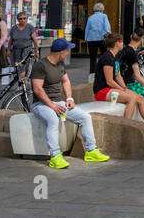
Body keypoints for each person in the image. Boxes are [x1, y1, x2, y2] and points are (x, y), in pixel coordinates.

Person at [29, 39, 109, 168]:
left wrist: (69, 99)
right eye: (67, 51)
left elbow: (65, 81)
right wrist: (52, 106)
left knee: (85, 117)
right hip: (40, 105)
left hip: (57, 102)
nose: (67, 53)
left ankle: (91, 151)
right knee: (53, 120)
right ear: (60, 52)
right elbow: (37, 89)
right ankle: (55, 156)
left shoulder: (60, 64)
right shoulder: (41, 65)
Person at [95, 31, 144, 133]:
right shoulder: (107, 58)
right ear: (117, 43)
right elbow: (109, 81)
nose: (123, 44)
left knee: (139, 98)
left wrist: (125, 88)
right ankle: (126, 129)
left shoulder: (115, 57)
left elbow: (118, 76)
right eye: (122, 42)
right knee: (132, 98)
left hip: (111, 89)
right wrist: (123, 90)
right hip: (102, 91)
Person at [83, 2, 111, 78]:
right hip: (102, 38)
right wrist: (108, 33)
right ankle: (103, 71)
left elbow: (87, 28)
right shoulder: (104, 16)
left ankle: (92, 73)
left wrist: (86, 38)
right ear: (102, 9)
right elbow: (107, 26)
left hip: (91, 39)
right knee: (104, 55)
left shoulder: (90, 17)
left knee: (93, 57)